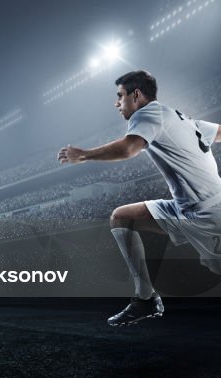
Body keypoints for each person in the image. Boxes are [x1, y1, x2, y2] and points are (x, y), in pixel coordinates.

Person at [58, 70, 221, 326]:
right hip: (186, 208)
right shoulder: (178, 116)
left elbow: (128, 148)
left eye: (120, 96)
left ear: (136, 95)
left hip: (210, 214)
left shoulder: (148, 113)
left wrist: (84, 155)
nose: (116, 103)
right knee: (122, 218)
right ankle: (145, 299)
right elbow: (219, 132)